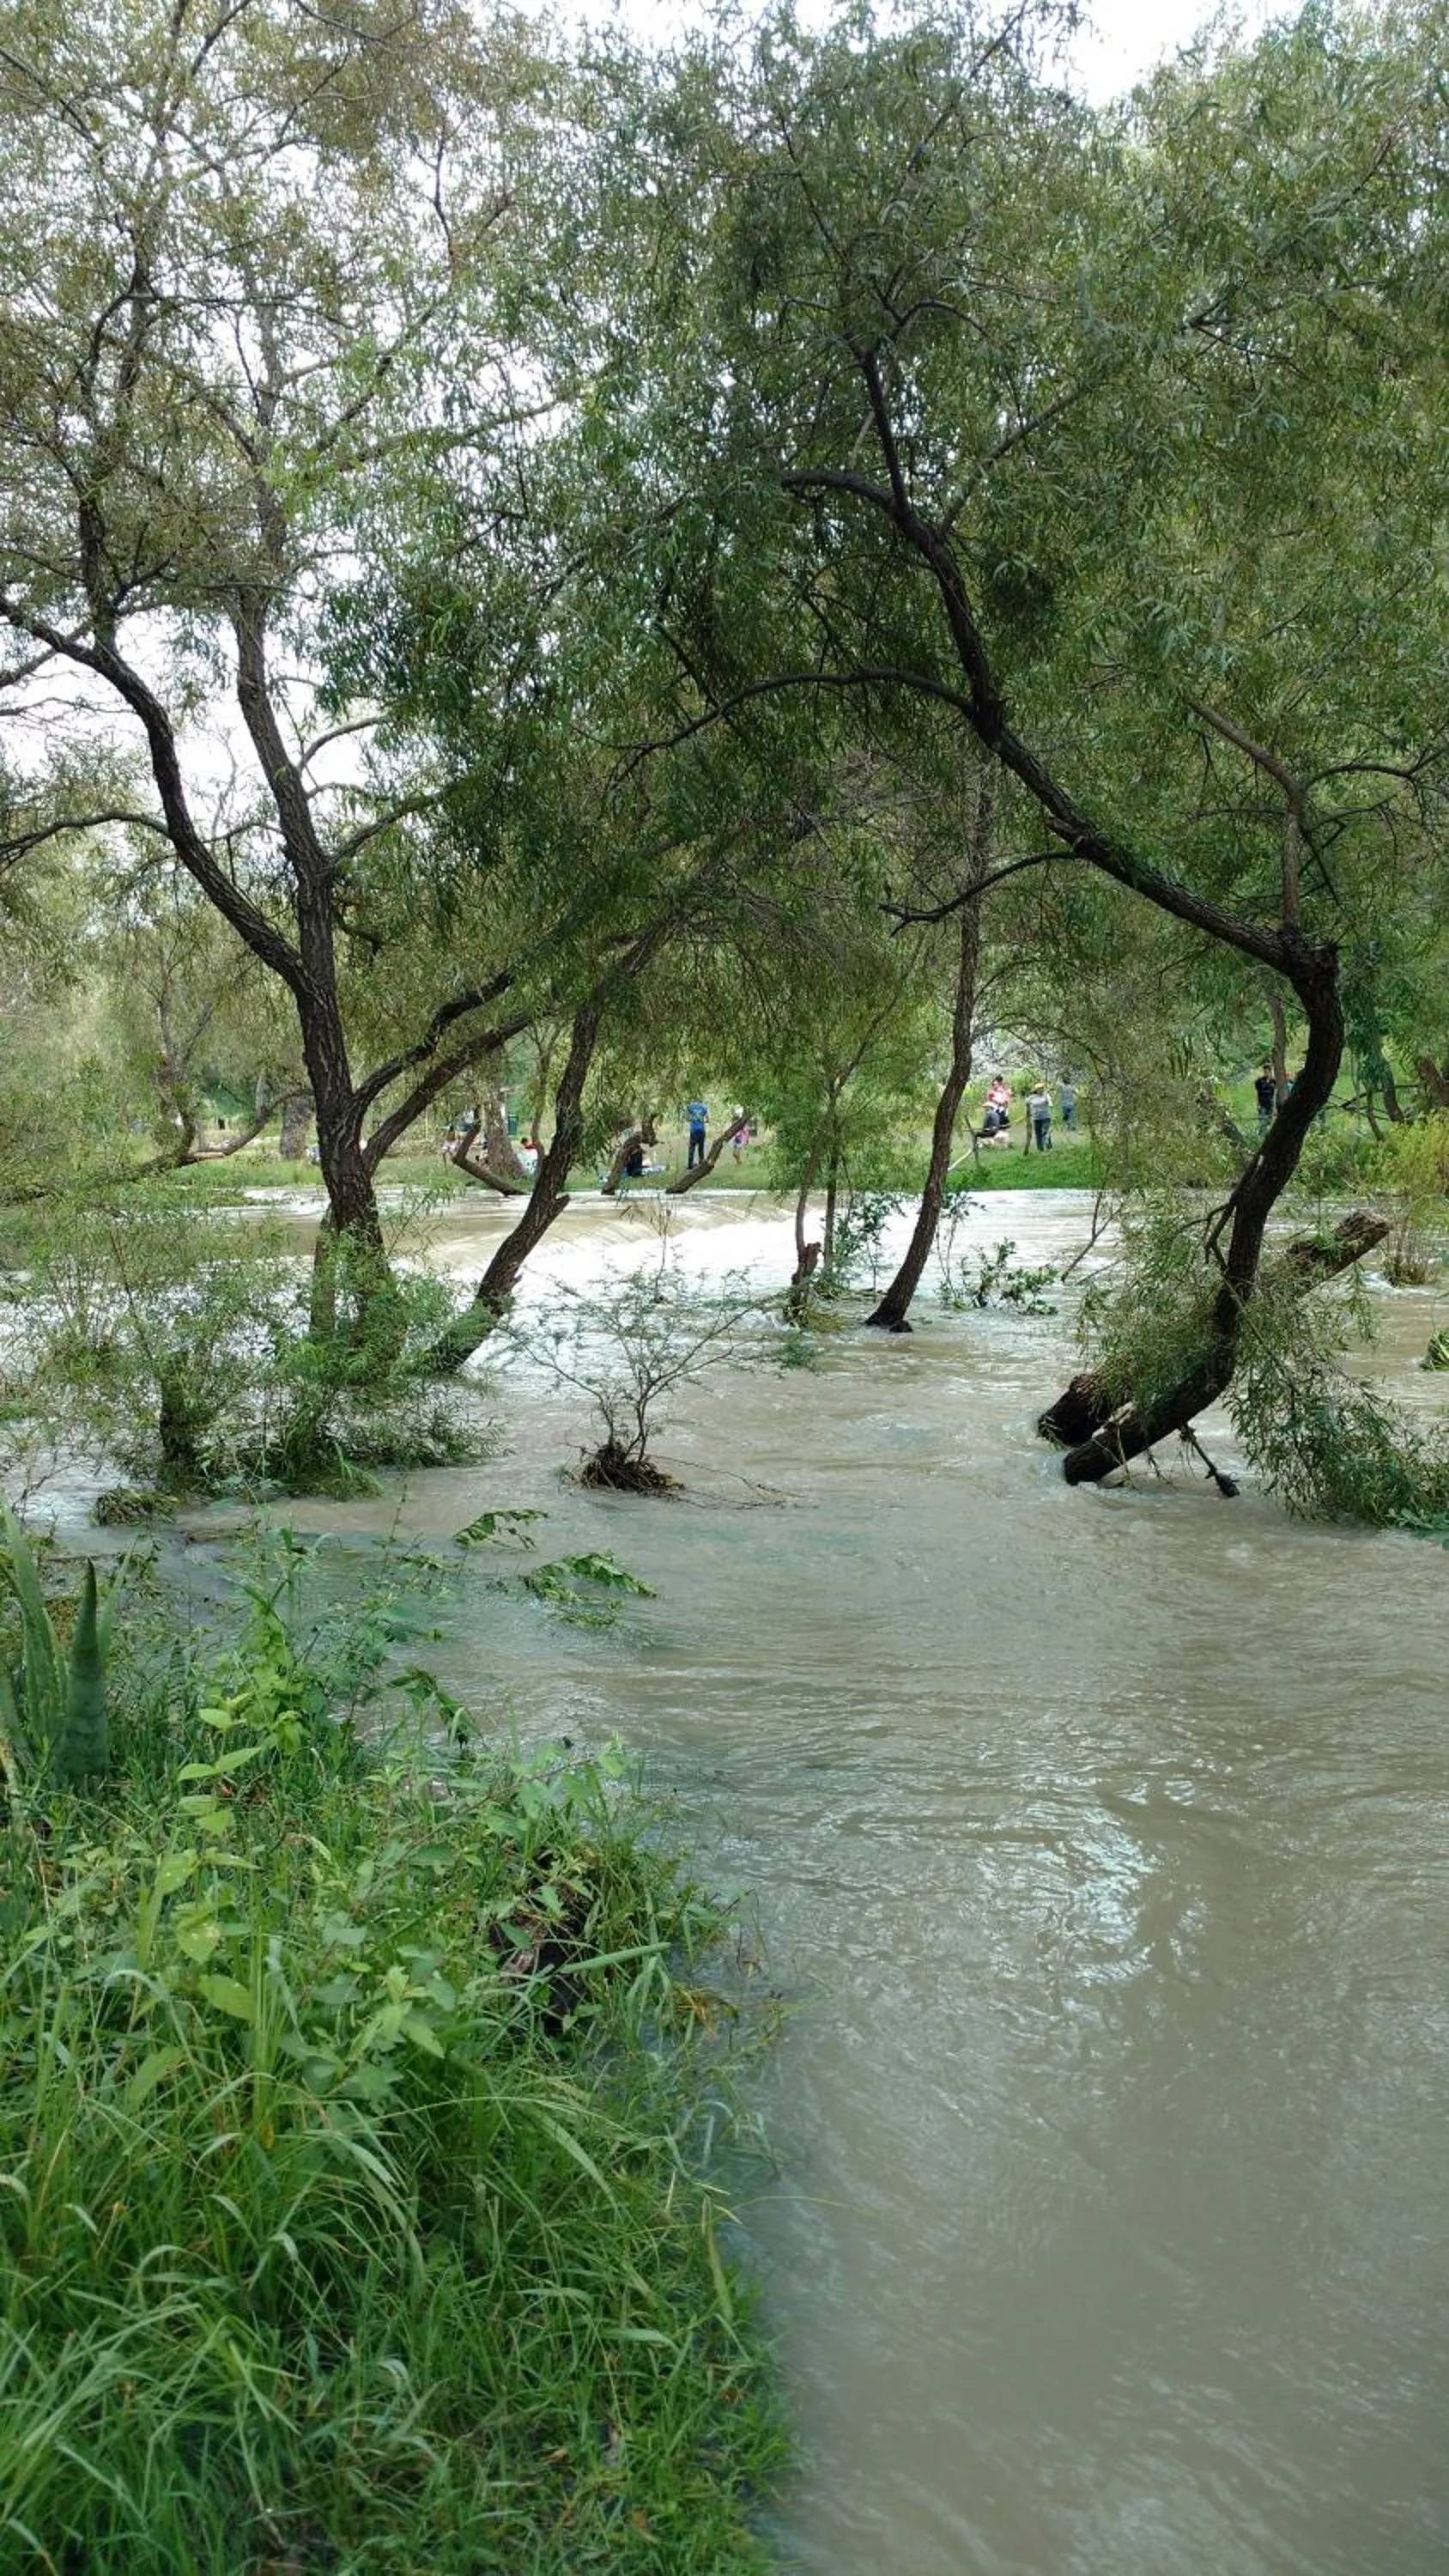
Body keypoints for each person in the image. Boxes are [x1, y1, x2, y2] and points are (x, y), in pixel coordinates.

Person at [1027, 1079, 1052, 1151]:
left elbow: (1050, 1103)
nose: (1041, 1090)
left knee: (1045, 1131)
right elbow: (1027, 1103)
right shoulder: (1032, 1097)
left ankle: (1049, 1146)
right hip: (1036, 1118)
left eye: (1042, 1088)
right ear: (1036, 1090)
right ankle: (1040, 1149)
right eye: (1039, 1089)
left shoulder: (1046, 1095)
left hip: (1046, 1117)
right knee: (1038, 1134)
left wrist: (1049, 1101)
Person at [686, 1096, 709, 1170]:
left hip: (694, 1130)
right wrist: (702, 1120)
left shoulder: (690, 1107)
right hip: (701, 1130)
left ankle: (690, 1165)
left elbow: (688, 1118)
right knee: (701, 1148)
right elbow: (708, 1120)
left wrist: (694, 1119)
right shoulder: (704, 1107)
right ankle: (701, 1164)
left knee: (692, 1148)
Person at [1254, 1060, 1276, 1133]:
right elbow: (1257, 1093)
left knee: (1269, 1122)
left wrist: (1274, 1106)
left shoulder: (1274, 1081)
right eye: (1264, 1071)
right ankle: (1261, 1135)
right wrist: (1257, 1104)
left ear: (1270, 1071)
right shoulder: (1259, 1081)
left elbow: (1275, 1093)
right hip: (1262, 1103)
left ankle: (1265, 1135)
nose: (1265, 1073)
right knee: (1262, 1121)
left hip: (1270, 1104)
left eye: (1267, 1071)